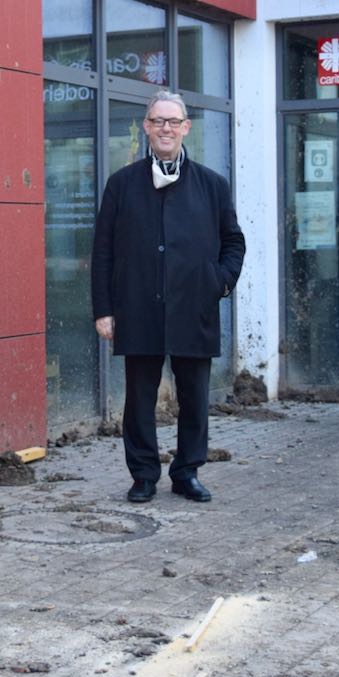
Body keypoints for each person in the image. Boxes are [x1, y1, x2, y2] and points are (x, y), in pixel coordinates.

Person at [92, 91, 246, 504]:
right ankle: (143, 475)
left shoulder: (212, 185)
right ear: (146, 127)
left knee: (194, 398)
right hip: (138, 307)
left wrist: (219, 282)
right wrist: (104, 310)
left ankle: (187, 472)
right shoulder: (122, 184)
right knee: (139, 399)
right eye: (157, 121)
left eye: (173, 121)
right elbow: (102, 250)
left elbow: (234, 241)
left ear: (185, 128)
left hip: (194, 308)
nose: (165, 128)